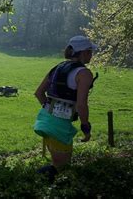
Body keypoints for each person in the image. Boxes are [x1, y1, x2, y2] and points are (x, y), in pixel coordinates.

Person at [33, 35, 98, 182]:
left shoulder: (58, 67)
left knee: (59, 167)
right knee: (61, 168)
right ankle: (29, 184)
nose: (91, 55)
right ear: (84, 52)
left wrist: (51, 110)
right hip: (59, 126)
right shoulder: (84, 73)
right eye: (90, 51)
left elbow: (38, 93)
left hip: (45, 119)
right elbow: (81, 105)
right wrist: (85, 127)